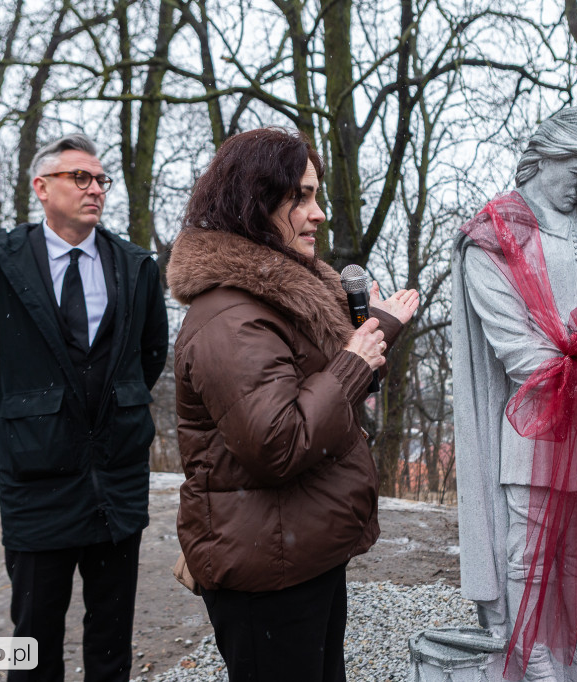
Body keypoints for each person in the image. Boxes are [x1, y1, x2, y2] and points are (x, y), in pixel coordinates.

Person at [166, 127, 419, 681]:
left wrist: (373, 337)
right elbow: (277, 444)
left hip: (298, 550)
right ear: (254, 204)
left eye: (317, 195)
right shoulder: (232, 317)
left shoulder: (279, 298)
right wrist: (353, 361)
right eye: (300, 197)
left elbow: (317, 387)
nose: (318, 213)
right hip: (266, 570)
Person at [0, 133, 169, 682]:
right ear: (42, 188)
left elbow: (149, 355)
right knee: (34, 639)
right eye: (80, 177)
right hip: (37, 483)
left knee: (112, 639)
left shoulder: (134, 266)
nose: (95, 189)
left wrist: (112, 414)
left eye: (100, 179)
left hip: (117, 478)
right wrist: (24, 423)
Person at [452, 107, 577, 681]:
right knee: (530, 550)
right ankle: (530, 655)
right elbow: (516, 348)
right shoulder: (494, 234)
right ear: (548, 154)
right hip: (535, 419)